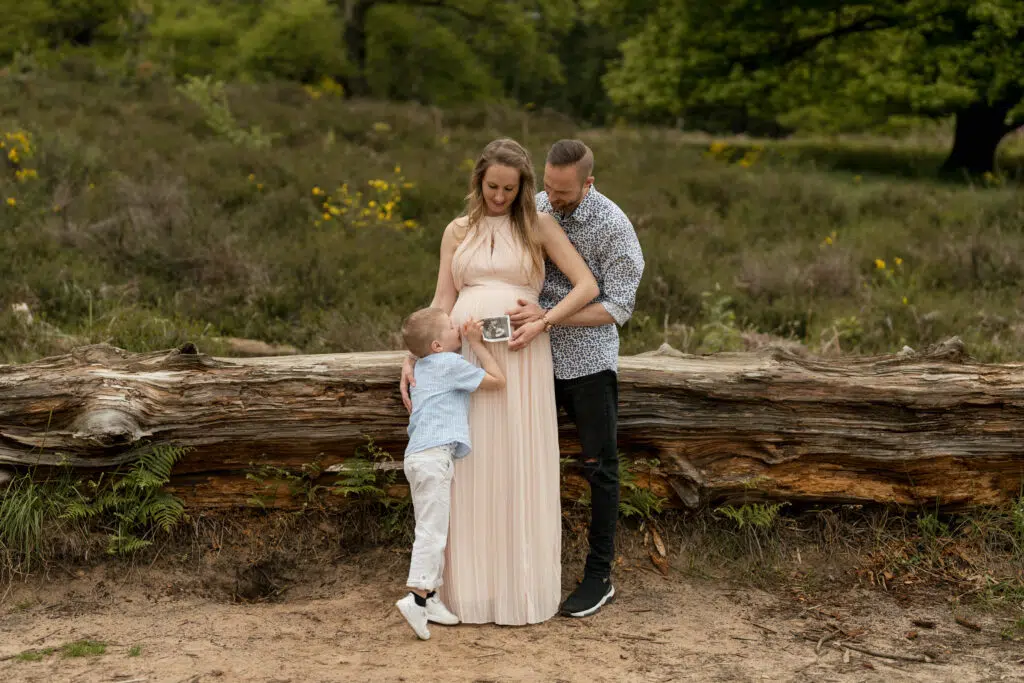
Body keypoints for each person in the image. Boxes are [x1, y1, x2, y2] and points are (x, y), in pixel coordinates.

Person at [401, 138, 599, 625]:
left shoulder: (539, 226)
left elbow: (587, 285)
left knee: (515, 461)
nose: (499, 197)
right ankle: (464, 593)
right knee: (467, 471)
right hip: (463, 352)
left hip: (518, 353)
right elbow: (443, 297)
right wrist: (411, 355)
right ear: (478, 181)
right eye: (492, 186)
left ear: (523, 187)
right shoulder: (457, 230)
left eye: (510, 189)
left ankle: (520, 590)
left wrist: (548, 317)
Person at [508, 139, 645, 618]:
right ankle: (525, 566)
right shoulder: (539, 207)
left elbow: (618, 306)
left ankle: (598, 574)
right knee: (525, 460)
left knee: (599, 468)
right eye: (547, 186)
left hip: (587, 362)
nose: (552, 197)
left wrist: (551, 317)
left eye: (563, 192)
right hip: (531, 358)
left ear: (589, 182)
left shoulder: (614, 226)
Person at [395, 308, 506, 640]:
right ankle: (416, 597)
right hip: (434, 457)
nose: (458, 328)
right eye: (451, 327)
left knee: (432, 527)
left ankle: (430, 600)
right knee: (432, 532)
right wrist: (478, 344)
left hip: (418, 456)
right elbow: (498, 382)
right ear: (437, 345)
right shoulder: (448, 365)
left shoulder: (423, 366)